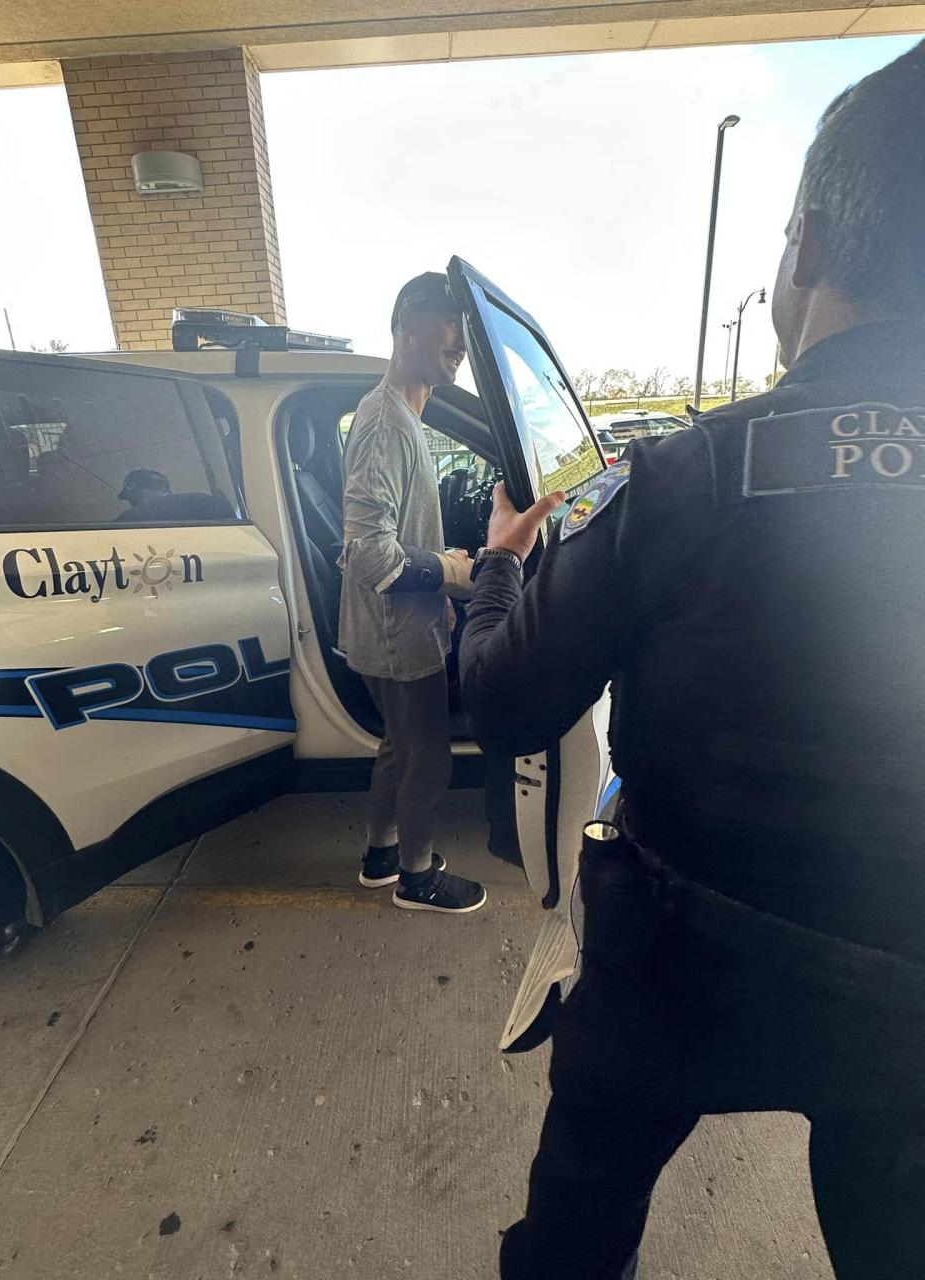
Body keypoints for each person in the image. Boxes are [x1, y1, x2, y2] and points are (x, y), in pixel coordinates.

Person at [460, 41, 925, 1280]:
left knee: (577, 1220)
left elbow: (506, 700)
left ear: (808, 247)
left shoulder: (670, 475)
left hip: (678, 973)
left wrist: (507, 562)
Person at [340, 272, 486, 914]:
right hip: (397, 634)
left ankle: (380, 855)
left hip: (395, 626)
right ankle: (417, 877)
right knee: (427, 759)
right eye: (449, 321)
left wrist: (441, 587)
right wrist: (453, 573)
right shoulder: (384, 423)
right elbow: (370, 551)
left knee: (399, 747)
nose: (460, 339)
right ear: (407, 323)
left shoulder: (400, 417)